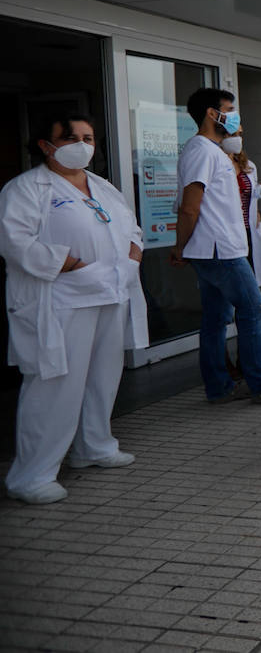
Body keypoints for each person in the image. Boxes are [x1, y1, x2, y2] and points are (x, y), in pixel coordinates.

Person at [1, 115, 148, 505]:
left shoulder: (103, 187)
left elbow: (131, 228)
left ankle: (94, 445)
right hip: (62, 299)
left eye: (88, 138)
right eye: (70, 138)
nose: (82, 144)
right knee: (56, 385)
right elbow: (15, 242)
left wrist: (133, 254)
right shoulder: (26, 189)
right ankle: (31, 475)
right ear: (46, 146)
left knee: (103, 377)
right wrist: (70, 263)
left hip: (110, 291)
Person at [173, 89, 261, 406]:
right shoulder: (202, 151)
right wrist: (180, 247)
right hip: (219, 250)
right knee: (254, 310)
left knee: (215, 319)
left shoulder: (214, 151)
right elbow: (189, 207)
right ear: (212, 114)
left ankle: (220, 387)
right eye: (230, 110)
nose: (236, 117)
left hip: (218, 249)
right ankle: (260, 383)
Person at [223, 130, 261, 380]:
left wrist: (256, 214)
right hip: (225, 243)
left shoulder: (248, 165)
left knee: (252, 307)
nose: (237, 136)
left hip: (248, 239)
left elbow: (253, 199)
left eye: (240, 132)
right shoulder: (213, 162)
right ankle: (227, 369)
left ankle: (244, 365)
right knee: (228, 310)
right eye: (231, 132)